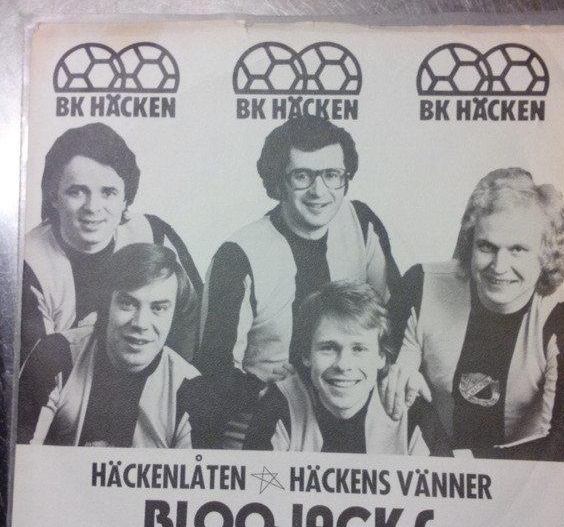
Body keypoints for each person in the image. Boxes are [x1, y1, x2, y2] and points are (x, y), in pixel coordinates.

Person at [197, 115, 401, 447]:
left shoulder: (361, 223)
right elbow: (212, 371)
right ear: (279, 181)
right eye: (302, 176)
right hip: (260, 425)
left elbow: (394, 319)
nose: (319, 191)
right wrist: (264, 389)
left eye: (332, 175)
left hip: (352, 413)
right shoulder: (238, 255)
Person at [385, 167, 564, 461]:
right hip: (430, 469)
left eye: (518, 249)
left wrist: (458, 463)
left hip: (522, 478)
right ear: (470, 243)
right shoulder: (421, 284)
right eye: (487, 246)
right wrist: (396, 379)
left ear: (546, 253)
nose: (499, 267)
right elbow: (380, 382)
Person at [21, 123, 202, 365]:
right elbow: (35, 369)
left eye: (108, 192)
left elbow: (195, 317)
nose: (92, 207)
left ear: (125, 199)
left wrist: (176, 378)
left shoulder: (153, 234)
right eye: (77, 192)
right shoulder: (27, 263)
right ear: (54, 196)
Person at [18, 243, 200, 447]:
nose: (141, 323)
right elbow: (21, 458)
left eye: (158, 308)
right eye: (128, 303)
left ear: (173, 316)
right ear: (105, 305)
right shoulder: (54, 354)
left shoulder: (191, 388)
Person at [244, 281, 450, 455]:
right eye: (328, 347)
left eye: (359, 349)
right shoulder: (279, 404)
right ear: (307, 355)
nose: (343, 365)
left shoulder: (412, 412)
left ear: (381, 356)